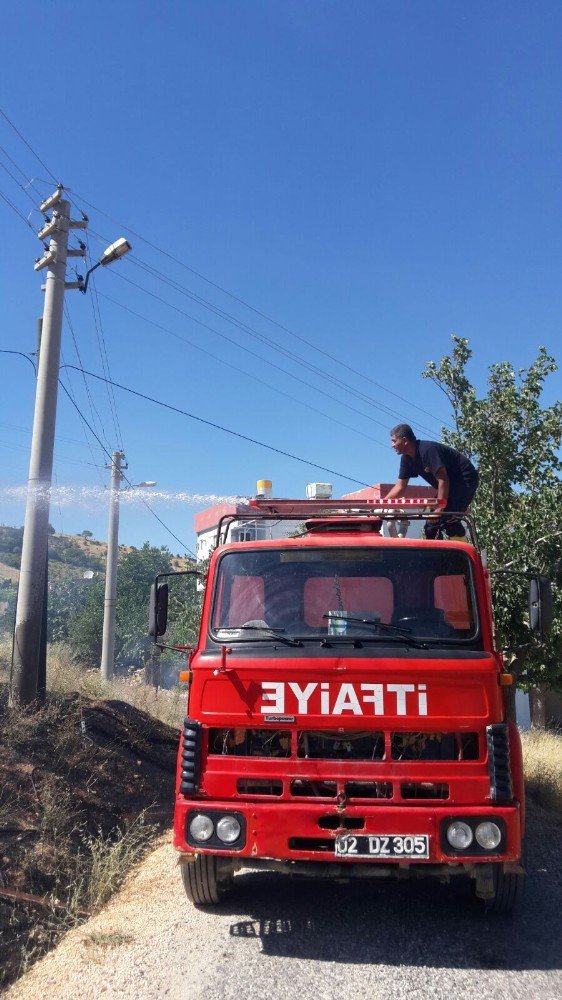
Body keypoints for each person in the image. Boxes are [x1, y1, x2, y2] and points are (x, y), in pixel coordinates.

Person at [384, 423, 479, 540]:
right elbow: (400, 487)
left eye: (394, 441)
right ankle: (436, 556)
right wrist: (383, 504)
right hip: (447, 485)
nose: (392, 445)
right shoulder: (406, 458)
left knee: (448, 518)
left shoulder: (428, 450)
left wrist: (439, 509)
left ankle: (460, 553)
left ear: (404, 440)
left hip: (464, 480)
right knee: (430, 525)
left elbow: (443, 479)